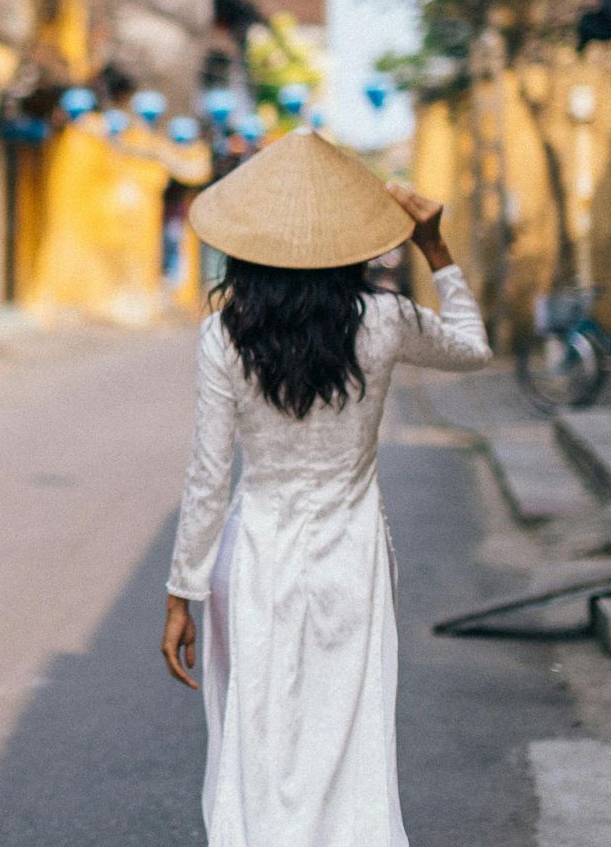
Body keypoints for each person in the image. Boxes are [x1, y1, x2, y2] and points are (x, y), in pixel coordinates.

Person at [160, 130, 490, 846]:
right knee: (350, 736)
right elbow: (474, 347)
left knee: (256, 733)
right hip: (353, 556)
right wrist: (437, 250)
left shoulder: (225, 336)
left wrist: (183, 588)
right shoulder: (385, 322)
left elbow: (209, 478)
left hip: (254, 557)